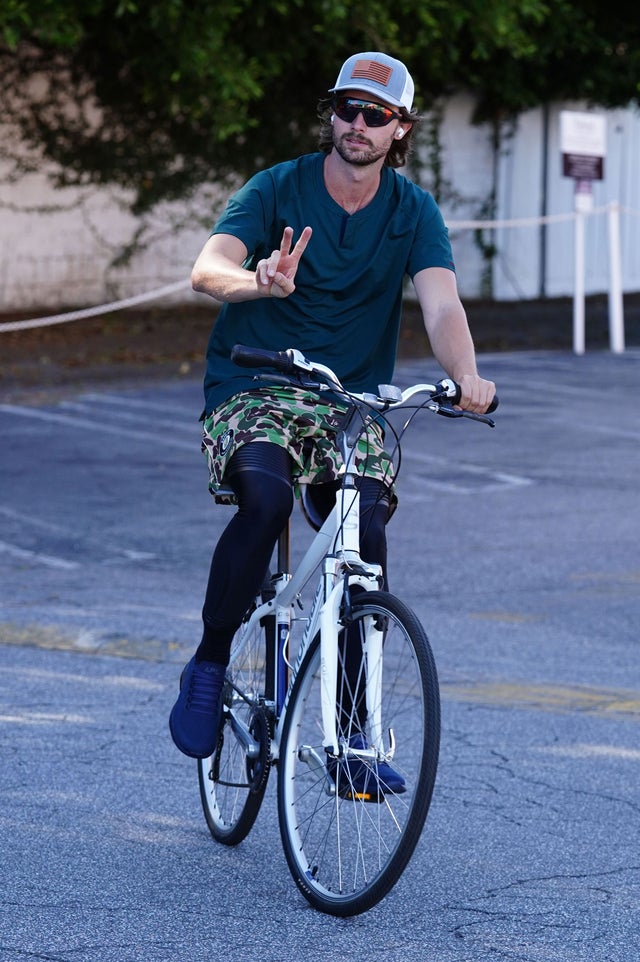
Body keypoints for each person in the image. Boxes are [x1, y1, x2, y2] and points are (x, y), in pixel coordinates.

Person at [169, 51, 496, 790]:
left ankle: (352, 733)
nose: (356, 123)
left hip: (349, 401)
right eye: (346, 108)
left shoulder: (412, 212)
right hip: (257, 380)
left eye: (374, 114)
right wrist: (254, 281)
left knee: (363, 535)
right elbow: (206, 268)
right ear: (333, 115)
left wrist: (465, 376)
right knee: (267, 499)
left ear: (399, 129)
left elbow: (442, 305)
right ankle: (212, 661)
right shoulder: (278, 187)